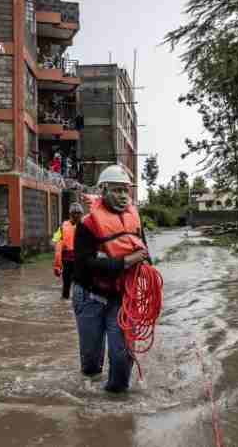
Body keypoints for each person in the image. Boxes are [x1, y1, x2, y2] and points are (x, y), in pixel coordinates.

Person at [72, 165, 149, 393]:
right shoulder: (87, 225)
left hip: (121, 297)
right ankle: (90, 400)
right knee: (91, 364)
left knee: (122, 356)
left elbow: (144, 254)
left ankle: (117, 402)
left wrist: (144, 269)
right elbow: (84, 264)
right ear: (103, 190)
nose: (123, 196)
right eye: (117, 190)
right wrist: (126, 261)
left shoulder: (134, 220)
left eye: (126, 190)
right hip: (90, 296)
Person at [52, 202, 84, 299]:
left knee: (80, 286)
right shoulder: (62, 227)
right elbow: (55, 242)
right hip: (67, 261)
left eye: (78, 213)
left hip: (80, 261)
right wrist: (57, 264)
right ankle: (65, 301)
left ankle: (77, 301)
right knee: (66, 285)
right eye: (74, 213)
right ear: (70, 214)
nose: (77, 215)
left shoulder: (85, 226)